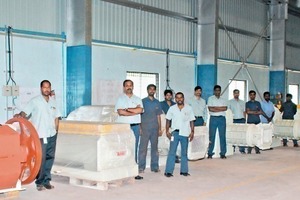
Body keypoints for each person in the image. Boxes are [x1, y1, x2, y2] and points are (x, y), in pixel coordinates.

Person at [14, 80, 61, 191]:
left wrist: (57, 131)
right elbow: (25, 113)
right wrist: (19, 116)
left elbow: (56, 117)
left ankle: (47, 181)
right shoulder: (34, 101)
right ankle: (39, 182)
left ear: (50, 88)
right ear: (41, 89)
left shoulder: (53, 102)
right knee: (41, 159)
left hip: (52, 134)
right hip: (40, 134)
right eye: (44, 87)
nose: (47, 89)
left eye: (48, 87)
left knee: (50, 158)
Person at [115, 79, 144, 180]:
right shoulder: (120, 99)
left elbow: (140, 110)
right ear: (124, 87)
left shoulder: (138, 99)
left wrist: (127, 109)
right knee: (123, 148)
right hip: (124, 127)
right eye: (127, 85)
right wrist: (134, 110)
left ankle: (134, 172)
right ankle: (122, 172)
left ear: (133, 86)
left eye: (130, 85)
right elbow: (120, 112)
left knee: (134, 148)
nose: (129, 87)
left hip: (135, 126)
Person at [164, 92, 195, 177]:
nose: (179, 99)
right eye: (177, 98)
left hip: (185, 133)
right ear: (175, 99)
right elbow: (168, 120)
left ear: (183, 98)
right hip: (175, 133)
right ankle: (168, 171)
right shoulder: (172, 108)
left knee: (184, 153)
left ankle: (184, 171)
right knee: (172, 152)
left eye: (181, 97)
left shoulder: (189, 108)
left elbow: (192, 120)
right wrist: (167, 131)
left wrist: (192, 132)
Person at [138, 84, 163, 173]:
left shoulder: (157, 102)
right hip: (145, 128)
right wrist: (140, 127)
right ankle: (141, 167)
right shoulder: (143, 101)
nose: (152, 91)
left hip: (155, 128)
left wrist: (160, 128)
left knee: (155, 148)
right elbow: (139, 115)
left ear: (155, 91)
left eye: (153, 89)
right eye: (150, 89)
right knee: (142, 148)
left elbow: (158, 116)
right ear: (147, 90)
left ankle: (155, 167)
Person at [207, 85, 228, 159]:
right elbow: (210, 109)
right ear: (214, 91)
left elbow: (225, 108)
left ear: (220, 91)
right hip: (213, 119)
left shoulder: (223, 99)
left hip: (222, 119)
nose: (217, 92)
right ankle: (210, 153)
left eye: (219, 90)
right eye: (216, 90)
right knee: (211, 136)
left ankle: (223, 153)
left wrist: (215, 108)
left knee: (222, 136)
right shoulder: (210, 98)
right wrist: (220, 109)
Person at [160, 89, 180, 163]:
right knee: (166, 141)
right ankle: (169, 156)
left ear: (172, 96)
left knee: (173, 141)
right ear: (165, 96)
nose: (168, 96)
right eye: (167, 95)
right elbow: (160, 115)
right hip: (164, 125)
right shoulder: (161, 104)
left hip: (174, 125)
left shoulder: (175, 104)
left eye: (170, 95)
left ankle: (175, 156)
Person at [228, 89, 246, 154]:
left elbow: (244, 111)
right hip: (234, 120)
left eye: (238, 93)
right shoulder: (230, 102)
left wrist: (245, 119)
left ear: (239, 94)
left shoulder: (242, 102)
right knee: (233, 134)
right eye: (235, 93)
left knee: (242, 134)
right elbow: (228, 112)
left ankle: (242, 149)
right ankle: (233, 149)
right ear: (233, 94)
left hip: (241, 119)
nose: (237, 94)